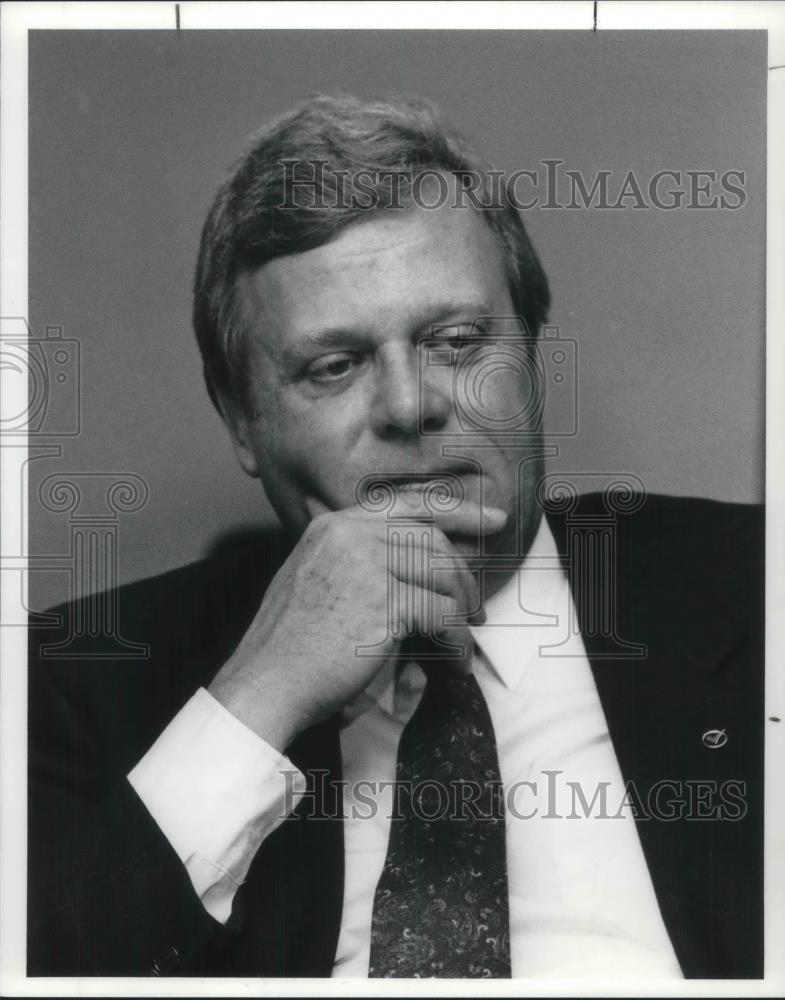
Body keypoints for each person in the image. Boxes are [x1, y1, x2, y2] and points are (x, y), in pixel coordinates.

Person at [27, 93, 764, 979]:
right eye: (333, 366)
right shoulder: (74, 686)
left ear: (529, 354)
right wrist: (260, 698)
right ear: (240, 420)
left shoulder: (756, 589)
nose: (410, 406)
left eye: (455, 342)